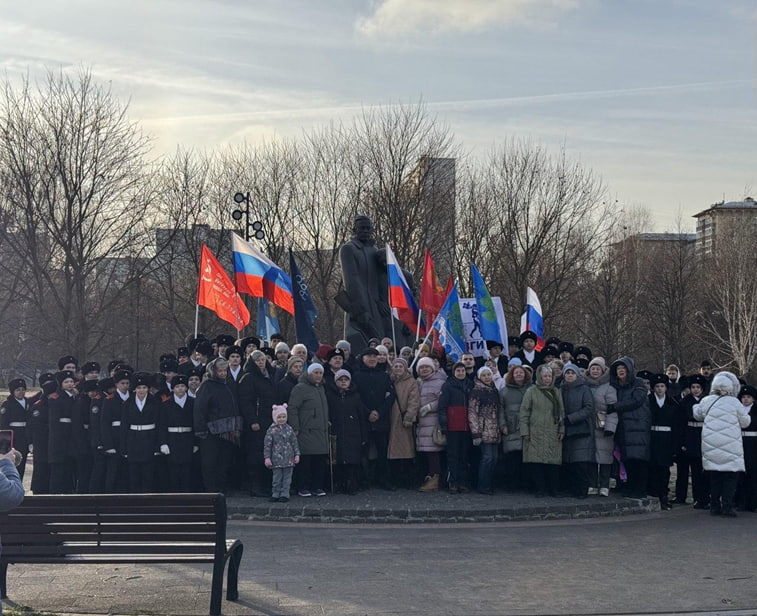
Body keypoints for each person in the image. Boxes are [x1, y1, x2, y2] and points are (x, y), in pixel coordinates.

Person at [694, 371, 750, 517]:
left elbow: (697, 414)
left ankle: (714, 506)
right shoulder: (734, 402)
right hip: (731, 445)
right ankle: (727, 505)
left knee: (715, 476)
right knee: (730, 477)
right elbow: (745, 422)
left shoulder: (707, 400)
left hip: (711, 444)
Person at [194, 358, 243, 493]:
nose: (223, 373)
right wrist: (201, 429)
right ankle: (210, 489)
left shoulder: (230, 384)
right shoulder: (207, 386)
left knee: (224, 462)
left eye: (224, 371)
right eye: (220, 371)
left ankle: (221, 488)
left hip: (228, 431)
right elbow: (200, 409)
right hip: (211, 432)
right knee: (210, 462)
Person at [352, 347, 396, 490]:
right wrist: (368, 413)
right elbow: (355, 397)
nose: (372, 359)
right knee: (362, 451)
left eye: (374, 356)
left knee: (382, 451)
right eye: (369, 356)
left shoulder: (384, 376)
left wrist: (378, 412)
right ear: (363, 358)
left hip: (381, 419)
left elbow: (390, 397)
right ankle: (363, 480)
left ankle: (383, 479)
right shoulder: (356, 375)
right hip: (363, 420)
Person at [520, 364, 564, 497]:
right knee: (536, 463)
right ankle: (540, 489)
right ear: (539, 376)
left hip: (552, 430)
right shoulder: (531, 391)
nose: (547, 379)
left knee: (553, 462)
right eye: (545, 376)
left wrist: (562, 429)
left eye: (549, 376)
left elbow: (561, 412)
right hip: (535, 430)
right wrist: (525, 431)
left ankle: (554, 489)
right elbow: (524, 412)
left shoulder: (556, 391)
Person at [238, 350, 278, 497]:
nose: (261, 362)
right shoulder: (248, 378)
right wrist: (252, 420)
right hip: (257, 422)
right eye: (257, 360)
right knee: (256, 455)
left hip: (270, 420)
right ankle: (256, 486)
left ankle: (268, 484)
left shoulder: (271, 376)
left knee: (269, 453)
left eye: (263, 360)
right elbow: (245, 402)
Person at [609, 357, 650, 499]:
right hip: (624, 428)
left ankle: (639, 489)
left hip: (637, 427)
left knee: (638, 460)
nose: (621, 371)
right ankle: (630, 487)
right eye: (618, 369)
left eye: (623, 369)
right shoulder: (616, 387)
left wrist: (615, 407)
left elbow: (636, 401)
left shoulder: (638, 384)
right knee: (626, 460)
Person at [288, 363, 330, 497]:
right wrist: (295, 427)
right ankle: (303, 487)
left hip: (320, 430)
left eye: (320, 373)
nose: (318, 375)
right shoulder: (300, 388)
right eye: (315, 373)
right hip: (306, 430)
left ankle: (317, 486)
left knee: (319, 461)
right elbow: (293, 408)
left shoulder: (321, 388)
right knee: (306, 461)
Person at [326, 370, 368, 495]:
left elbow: (361, 416)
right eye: (340, 380)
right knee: (337, 460)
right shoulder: (330, 396)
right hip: (336, 431)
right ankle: (339, 484)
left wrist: (363, 435)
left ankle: (352, 484)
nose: (343, 382)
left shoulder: (355, 396)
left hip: (353, 432)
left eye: (346, 380)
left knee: (352, 461)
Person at [121, 372, 161, 493]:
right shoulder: (128, 403)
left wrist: (158, 445)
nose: (142, 390)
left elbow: (159, 424)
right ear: (134, 389)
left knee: (148, 473)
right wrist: (124, 447)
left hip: (149, 438)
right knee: (134, 473)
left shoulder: (155, 402)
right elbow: (124, 426)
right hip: (133, 439)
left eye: (144, 387)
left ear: (148, 388)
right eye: (139, 388)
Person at [560, 363, 596, 499]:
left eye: (572, 373)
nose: (569, 375)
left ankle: (582, 490)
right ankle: (571, 489)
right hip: (567, 430)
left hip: (581, 430)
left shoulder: (584, 389)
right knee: (569, 462)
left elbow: (589, 407)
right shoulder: (561, 389)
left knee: (580, 463)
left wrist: (571, 418)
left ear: (577, 375)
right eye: (567, 373)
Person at [584, 358, 617, 496]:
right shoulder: (584, 385)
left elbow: (613, 409)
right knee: (590, 456)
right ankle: (592, 484)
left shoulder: (609, 387)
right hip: (588, 426)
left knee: (605, 457)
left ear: (603, 370)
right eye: (593, 368)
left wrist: (610, 427)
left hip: (604, 427)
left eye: (598, 368)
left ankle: (604, 485)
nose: (595, 371)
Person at [439, 361, 473, 493]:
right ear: (454, 372)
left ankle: (463, 482)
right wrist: (444, 424)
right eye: (458, 371)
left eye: (463, 371)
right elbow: (442, 407)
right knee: (453, 456)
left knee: (465, 456)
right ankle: (453, 482)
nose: (461, 373)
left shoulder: (470, 385)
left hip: (467, 426)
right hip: (453, 426)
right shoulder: (448, 386)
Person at [159, 374, 197, 493]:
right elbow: (162, 425)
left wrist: (196, 442)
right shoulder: (166, 404)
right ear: (173, 389)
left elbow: (196, 423)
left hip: (187, 438)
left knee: (187, 469)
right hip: (172, 439)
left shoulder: (193, 402)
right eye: (177, 386)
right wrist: (163, 443)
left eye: (182, 386)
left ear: (186, 388)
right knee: (173, 470)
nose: (180, 389)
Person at [468, 366, 502, 495]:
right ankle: (482, 485)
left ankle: (489, 484)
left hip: (494, 430)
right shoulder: (476, 392)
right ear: (479, 377)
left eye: (489, 374)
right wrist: (476, 432)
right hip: (483, 430)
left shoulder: (494, 391)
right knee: (487, 458)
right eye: (484, 375)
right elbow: (472, 413)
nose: (487, 377)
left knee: (494, 458)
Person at [676, 374, 708, 507]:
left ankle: (700, 498)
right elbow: (680, 422)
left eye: (698, 387)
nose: (695, 390)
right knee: (682, 470)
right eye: (693, 387)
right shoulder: (685, 402)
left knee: (698, 471)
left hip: (701, 436)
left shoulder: (707, 401)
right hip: (688, 435)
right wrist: (681, 442)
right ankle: (680, 496)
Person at [416, 357, 447, 492]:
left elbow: (443, 400)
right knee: (427, 453)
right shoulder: (419, 382)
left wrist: (429, 407)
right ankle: (430, 477)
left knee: (433, 452)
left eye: (426, 367)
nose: (424, 369)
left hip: (433, 423)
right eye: (421, 367)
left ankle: (435, 479)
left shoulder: (440, 382)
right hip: (422, 423)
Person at [387, 358, 419, 488]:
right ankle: (395, 478)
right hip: (391, 419)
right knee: (393, 451)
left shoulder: (411, 382)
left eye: (401, 366)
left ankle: (406, 479)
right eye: (396, 366)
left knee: (406, 450)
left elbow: (414, 401)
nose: (398, 368)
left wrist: (409, 416)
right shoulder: (389, 381)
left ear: (405, 368)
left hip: (403, 419)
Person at [647, 374, 677, 510]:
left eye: (662, 386)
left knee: (664, 470)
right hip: (652, 437)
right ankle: (653, 494)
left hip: (667, 439)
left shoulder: (672, 403)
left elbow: (677, 425)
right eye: (657, 386)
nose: (659, 389)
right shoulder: (648, 401)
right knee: (652, 468)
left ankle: (663, 495)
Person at [500, 363, 531, 492]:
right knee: (512, 458)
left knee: (526, 458)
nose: (519, 375)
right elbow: (500, 410)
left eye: (521, 372)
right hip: (511, 426)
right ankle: (511, 485)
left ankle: (525, 484)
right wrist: (502, 425)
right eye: (516, 373)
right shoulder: (504, 391)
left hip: (528, 427)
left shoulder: (531, 389)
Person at [263, 404, 300, 503]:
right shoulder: (271, 430)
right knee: (277, 478)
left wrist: (297, 454)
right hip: (276, 459)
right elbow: (267, 445)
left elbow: (294, 442)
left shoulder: (289, 429)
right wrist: (267, 458)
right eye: (279, 417)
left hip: (289, 458)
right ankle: (275, 493)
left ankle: (285, 494)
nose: (282, 419)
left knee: (287, 478)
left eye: (284, 417)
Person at [0, 379, 31, 481]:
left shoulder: (28, 402)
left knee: (22, 463)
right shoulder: (7, 404)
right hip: (14, 437)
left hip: (25, 436)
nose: (21, 392)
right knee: (12, 463)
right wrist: (6, 443)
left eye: (23, 389)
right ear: (13, 391)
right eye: (18, 390)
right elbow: (3, 424)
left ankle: (19, 483)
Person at [737, 385, 757, 512]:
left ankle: (753, 503)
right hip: (739, 442)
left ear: (753, 399)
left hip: (753, 442)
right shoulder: (737, 410)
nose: (745, 400)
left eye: (748, 397)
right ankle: (741, 502)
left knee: (753, 474)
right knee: (740, 474)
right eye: (743, 397)